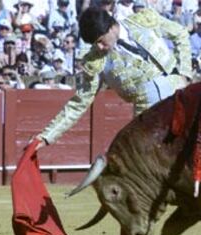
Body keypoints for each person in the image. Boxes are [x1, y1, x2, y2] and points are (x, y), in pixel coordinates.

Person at [32, 7, 192, 151]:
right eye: (95, 44)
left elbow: (180, 34)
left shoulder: (143, 21)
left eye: (100, 41)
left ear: (112, 27)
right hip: (148, 117)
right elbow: (79, 103)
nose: (99, 47)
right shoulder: (95, 61)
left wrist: (185, 73)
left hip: (180, 96)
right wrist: (46, 136)